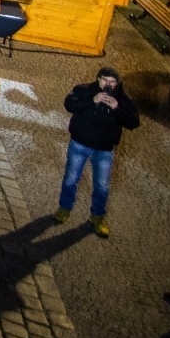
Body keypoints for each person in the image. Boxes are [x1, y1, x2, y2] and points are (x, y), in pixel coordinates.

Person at [53, 66, 140, 237]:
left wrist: (116, 108)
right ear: (98, 79)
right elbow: (69, 104)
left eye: (113, 82)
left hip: (104, 150)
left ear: (117, 84)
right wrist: (92, 100)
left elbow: (134, 122)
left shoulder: (122, 99)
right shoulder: (84, 89)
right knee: (71, 179)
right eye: (105, 80)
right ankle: (64, 209)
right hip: (79, 144)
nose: (108, 84)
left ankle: (97, 217)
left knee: (101, 187)